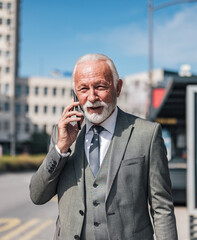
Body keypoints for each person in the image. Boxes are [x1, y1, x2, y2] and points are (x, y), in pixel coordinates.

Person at [30, 53, 178, 240]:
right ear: (75, 94)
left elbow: (162, 208)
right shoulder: (62, 134)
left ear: (118, 88)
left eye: (100, 87)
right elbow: (37, 196)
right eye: (83, 89)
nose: (92, 97)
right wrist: (61, 149)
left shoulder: (147, 134)